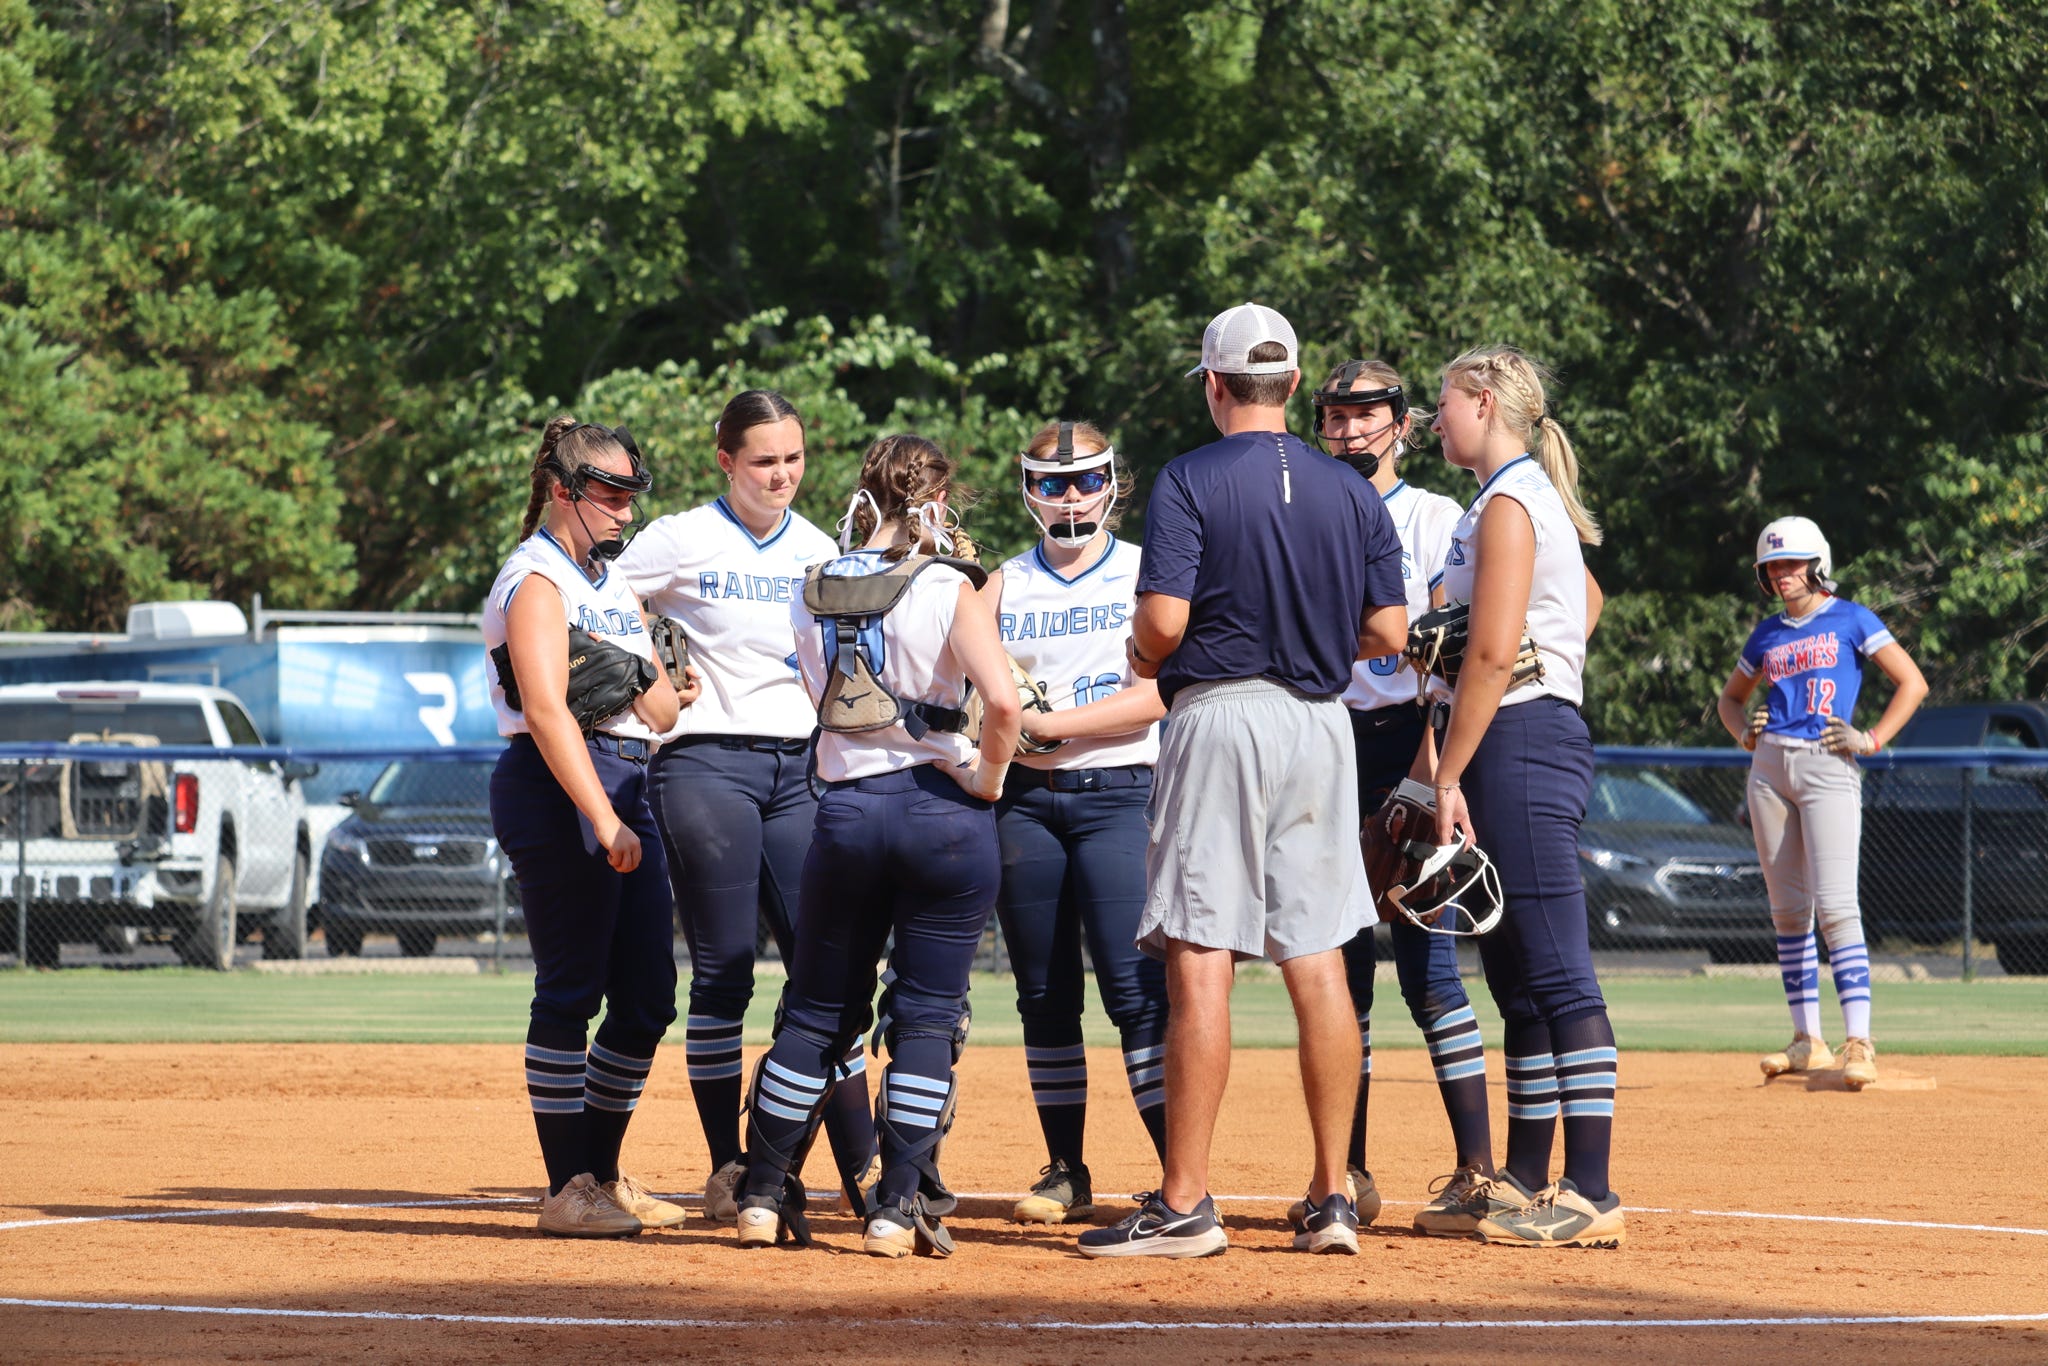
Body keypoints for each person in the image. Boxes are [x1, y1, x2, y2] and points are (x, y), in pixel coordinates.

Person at [1077, 302, 1408, 1260]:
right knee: (1319, 956)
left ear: (1215, 385)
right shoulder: (1354, 490)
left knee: (1201, 955)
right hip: (1321, 723)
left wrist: (1144, 651)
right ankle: (1333, 1195)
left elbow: (1164, 625)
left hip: (1219, 714)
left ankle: (1185, 1204)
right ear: (1296, 384)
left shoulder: (1190, 476)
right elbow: (1388, 633)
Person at [730, 433, 1022, 1258]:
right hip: (943, 812)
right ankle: (895, 1208)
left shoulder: (812, 583)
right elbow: (1003, 705)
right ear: (936, 501)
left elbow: (820, 696)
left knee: (816, 1012)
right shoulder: (947, 583)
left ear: (865, 496)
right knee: (926, 1018)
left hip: (848, 811)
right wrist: (987, 778)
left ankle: (761, 1195)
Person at [616, 390, 879, 1222]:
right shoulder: (681, 537)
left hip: (801, 765)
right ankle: (729, 1169)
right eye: (764, 460)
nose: (782, 474)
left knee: (828, 969)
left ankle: (861, 1167)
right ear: (725, 461)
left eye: (793, 458)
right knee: (726, 967)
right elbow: (600, 596)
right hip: (705, 761)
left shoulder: (818, 548)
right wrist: (648, 672)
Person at [1420, 345, 1622, 1248]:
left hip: (1522, 738)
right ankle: (1525, 1178)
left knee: (1557, 968)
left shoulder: (1509, 501)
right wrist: (1549, 649)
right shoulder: (1507, 497)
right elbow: (1587, 599)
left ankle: (1593, 1190)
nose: (1436, 420)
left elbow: (1495, 655)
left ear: (1483, 402)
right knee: (1514, 972)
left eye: (1445, 402)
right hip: (1516, 733)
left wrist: (1446, 773)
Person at [1303, 360, 1499, 1239]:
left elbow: (1450, 654)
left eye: (1367, 413)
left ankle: (1476, 1169)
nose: (1350, 430)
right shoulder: (1308, 509)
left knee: (1429, 969)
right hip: (1324, 744)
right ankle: (1349, 1170)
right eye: (1336, 416)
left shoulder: (1433, 517)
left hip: (1410, 743)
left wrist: (1430, 776)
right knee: (1341, 972)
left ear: (1404, 424)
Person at [483, 416, 685, 1237]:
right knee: (571, 990)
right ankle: (567, 1187)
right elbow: (544, 710)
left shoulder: (609, 583)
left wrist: (629, 667)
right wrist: (601, 818)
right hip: (559, 783)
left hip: (629, 774)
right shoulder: (536, 579)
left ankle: (600, 1175)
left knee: (647, 997)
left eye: (632, 496)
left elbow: (664, 710)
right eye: (611, 495)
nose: (626, 512)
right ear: (564, 491)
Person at [986, 419, 1170, 1226]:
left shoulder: (1147, 571)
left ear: (1112, 483)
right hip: (1025, 804)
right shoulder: (1000, 584)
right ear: (1028, 488)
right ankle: (1067, 1168)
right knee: (1044, 993)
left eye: (1088, 480)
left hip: (1120, 794)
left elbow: (1164, 692)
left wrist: (1052, 726)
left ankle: (1179, 1177)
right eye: (1053, 483)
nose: (1071, 497)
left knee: (1136, 992)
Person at [1714, 516, 1927, 1089]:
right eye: (1772, 566)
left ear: (1817, 564)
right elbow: (1730, 701)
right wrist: (1744, 733)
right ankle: (1807, 1039)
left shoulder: (1852, 618)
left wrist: (1871, 739)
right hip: (1769, 769)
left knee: (1836, 907)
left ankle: (1859, 1041)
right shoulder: (1767, 633)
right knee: (1788, 911)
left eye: (1791, 563)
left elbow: (1912, 682)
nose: (1781, 574)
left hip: (1828, 763)